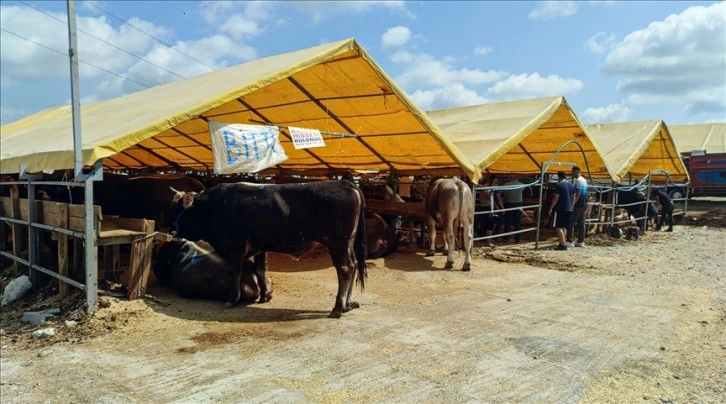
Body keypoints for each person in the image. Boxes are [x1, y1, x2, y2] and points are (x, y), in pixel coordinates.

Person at [548, 171, 575, 250]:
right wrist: (572, 205)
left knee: (557, 226)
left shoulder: (559, 185)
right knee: (564, 226)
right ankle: (562, 242)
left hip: (560, 208)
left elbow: (556, 198)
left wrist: (551, 208)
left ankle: (563, 244)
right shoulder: (571, 185)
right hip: (569, 208)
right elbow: (574, 197)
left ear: (559, 177)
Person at [474, 176, 503, 247]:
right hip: (485, 207)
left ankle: (486, 240)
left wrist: (495, 206)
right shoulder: (486, 188)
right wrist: (496, 206)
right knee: (489, 224)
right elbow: (489, 197)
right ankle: (487, 241)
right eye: (495, 182)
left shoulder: (488, 188)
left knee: (488, 224)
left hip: (486, 207)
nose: (496, 184)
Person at [566, 166, 588, 247]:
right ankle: (581, 241)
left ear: (576, 172)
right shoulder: (584, 180)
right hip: (584, 203)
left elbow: (577, 194)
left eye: (573, 172)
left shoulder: (578, 181)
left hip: (579, 204)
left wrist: (573, 204)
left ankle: (570, 241)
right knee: (581, 222)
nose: (572, 174)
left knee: (571, 221)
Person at [501, 177, 524, 243]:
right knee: (517, 223)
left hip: (508, 203)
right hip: (518, 204)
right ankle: (517, 239)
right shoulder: (521, 184)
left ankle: (506, 238)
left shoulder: (505, 185)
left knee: (508, 222)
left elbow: (501, 193)